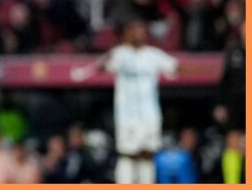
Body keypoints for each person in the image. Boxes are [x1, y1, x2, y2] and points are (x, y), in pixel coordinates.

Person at [72, 18, 178, 183]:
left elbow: (176, 67)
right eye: (133, 30)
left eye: (140, 30)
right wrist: (88, 70)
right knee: (127, 154)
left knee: (146, 154)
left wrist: (208, 70)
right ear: (126, 34)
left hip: (150, 114)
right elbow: (99, 67)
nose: (137, 34)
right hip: (128, 115)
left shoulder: (152, 55)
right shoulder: (120, 54)